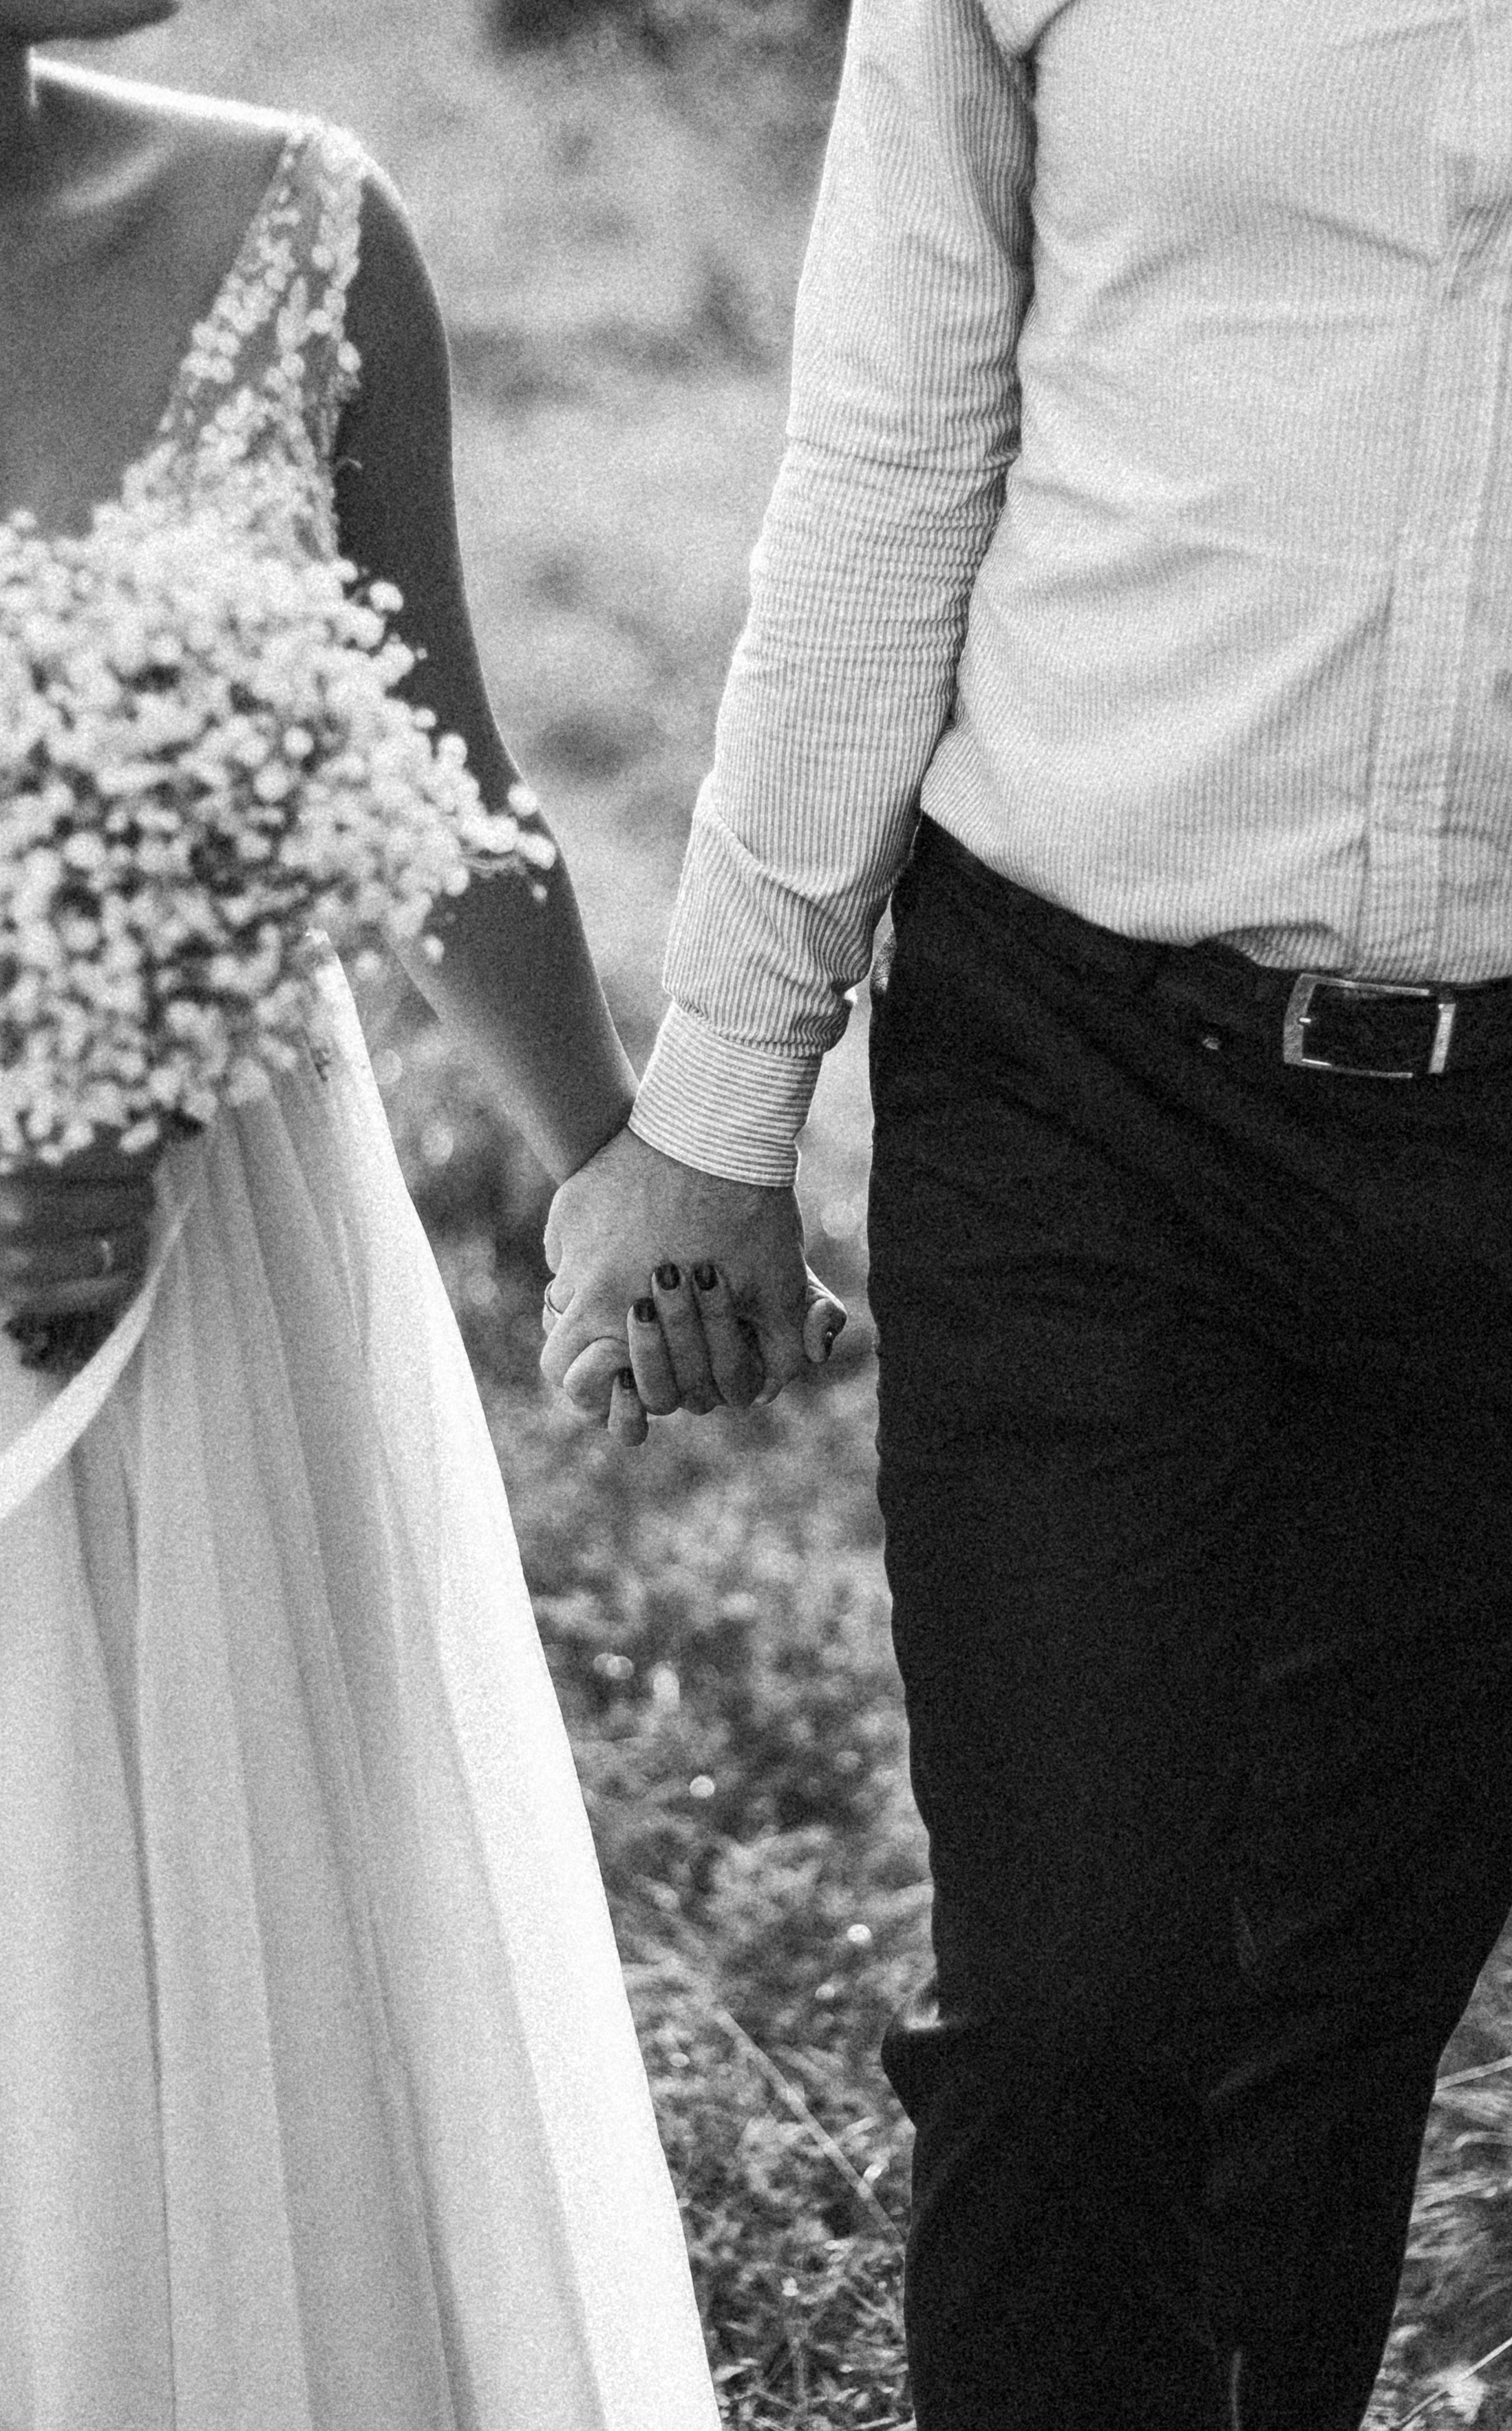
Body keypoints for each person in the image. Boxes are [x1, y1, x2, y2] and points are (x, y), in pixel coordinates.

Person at [542, 2, 1512, 2425]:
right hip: (1082, 1067)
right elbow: (890, 438)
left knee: (1339, 2009)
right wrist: (719, 1105)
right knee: (1076, 2005)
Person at [0, 3, 726, 2423]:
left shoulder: (299, 222)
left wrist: (636, 1171)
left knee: (247, 1966)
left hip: (221, 1254)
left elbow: (442, 784)